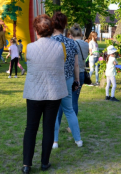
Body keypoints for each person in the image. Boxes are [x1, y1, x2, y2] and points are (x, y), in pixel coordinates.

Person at [22, 14, 68, 174]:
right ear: (51, 29)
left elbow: (29, 60)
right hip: (53, 93)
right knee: (48, 127)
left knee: (31, 128)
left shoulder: (29, 47)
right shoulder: (61, 47)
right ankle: (44, 162)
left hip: (34, 92)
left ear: (36, 30)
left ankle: (26, 165)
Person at [51, 12, 82, 149]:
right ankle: (78, 140)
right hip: (68, 79)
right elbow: (76, 65)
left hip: (53, 81)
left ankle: (55, 141)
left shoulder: (49, 42)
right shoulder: (71, 43)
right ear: (65, 25)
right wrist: (76, 79)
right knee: (69, 110)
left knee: (53, 111)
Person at [70, 23, 89, 116]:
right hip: (81, 73)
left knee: (65, 100)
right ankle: (72, 125)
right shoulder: (86, 45)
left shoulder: (71, 44)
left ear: (71, 35)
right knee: (75, 100)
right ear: (81, 33)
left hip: (72, 73)